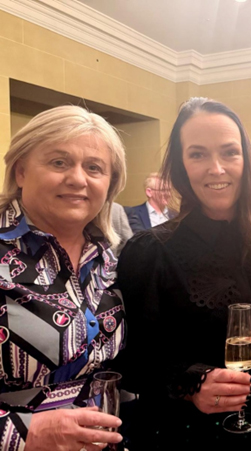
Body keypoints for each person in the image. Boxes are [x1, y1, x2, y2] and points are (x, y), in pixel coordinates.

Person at [117, 97, 251, 450]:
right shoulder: (150, 251)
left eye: (229, 152)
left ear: (246, 160)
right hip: (186, 436)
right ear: (181, 165)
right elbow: (130, 360)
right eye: (198, 154)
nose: (216, 168)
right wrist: (192, 384)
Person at [0, 105, 126, 450]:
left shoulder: (110, 260)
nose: (78, 179)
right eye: (59, 162)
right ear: (21, 171)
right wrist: (26, 433)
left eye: (94, 167)